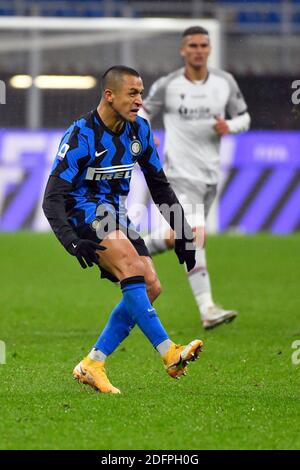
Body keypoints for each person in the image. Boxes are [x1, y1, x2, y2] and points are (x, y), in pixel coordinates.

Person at [42, 65, 203, 395]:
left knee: (151, 285)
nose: (139, 100)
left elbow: (160, 187)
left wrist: (182, 231)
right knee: (131, 267)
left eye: (141, 93)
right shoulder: (81, 136)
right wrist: (71, 241)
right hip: (82, 211)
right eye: (133, 93)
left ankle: (92, 364)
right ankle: (170, 353)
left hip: (115, 213)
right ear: (109, 95)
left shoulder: (139, 131)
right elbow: (52, 197)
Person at [141, 26, 251, 330]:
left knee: (182, 237)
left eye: (203, 44)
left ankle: (137, 246)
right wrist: (147, 135)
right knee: (194, 236)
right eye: (192, 45)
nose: (198, 50)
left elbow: (244, 116)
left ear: (210, 49)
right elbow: (142, 112)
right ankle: (208, 309)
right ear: (183, 50)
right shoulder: (169, 85)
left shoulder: (224, 82)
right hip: (177, 173)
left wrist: (230, 126)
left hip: (209, 176)